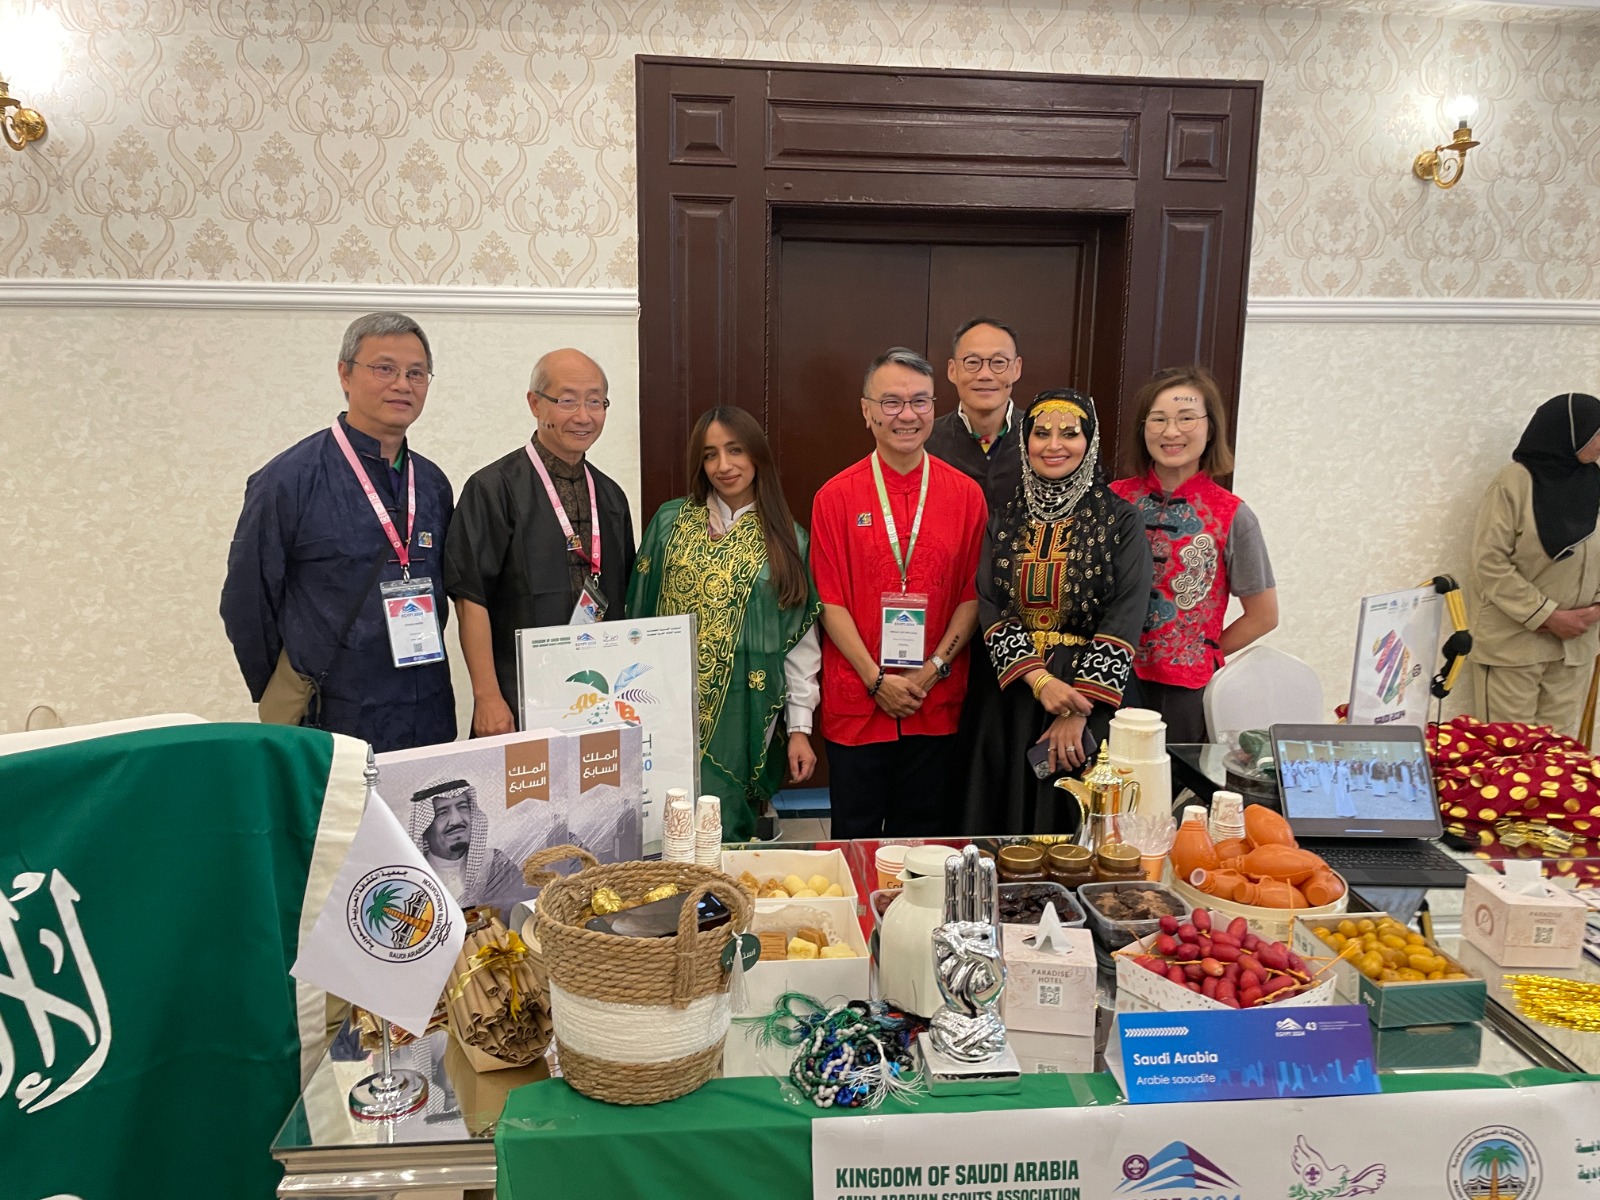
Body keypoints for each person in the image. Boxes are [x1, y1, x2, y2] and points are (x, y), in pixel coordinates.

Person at [220, 311, 456, 753]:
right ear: (345, 374)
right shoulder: (288, 480)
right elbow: (246, 603)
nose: (402, 384)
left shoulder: (432, 483)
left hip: (426, 706)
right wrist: (292, 676)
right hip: (331, 712)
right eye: (384, 368)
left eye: (416, 373)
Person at [811, 348, 988, 838]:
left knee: (925, 842)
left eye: (919, 401)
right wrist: (875, 680)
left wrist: (933, 670)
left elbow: (972, 596)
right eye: (891, 402)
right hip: (857, 700)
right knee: (855, 838)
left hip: (935, 701)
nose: (906, 415)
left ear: (935, 407)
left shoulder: (966, 496)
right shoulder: (835, 497)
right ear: (866, 411)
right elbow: (829, 601)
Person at [627, 407, 821, 841]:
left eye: (735, 451)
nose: (723, 466)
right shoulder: (670, 522)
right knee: (660, 824)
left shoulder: (787, 540)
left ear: (756, 455)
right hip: (662, 706)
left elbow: (799, 644)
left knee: (723, 825)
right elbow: (636, 615)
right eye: (710, 454)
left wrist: (800, 729)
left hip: (743, 712)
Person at [964, 390, 1153, 835]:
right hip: (1012, 694)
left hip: (1092, 698)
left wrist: (1077, 709)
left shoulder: (1120, 520)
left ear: (1090, 441)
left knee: (1079, 822)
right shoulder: (1004, 519)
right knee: (1003, 824)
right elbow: (991, 603)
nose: (1054, 445)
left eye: (1069, 434)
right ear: (1025, 442)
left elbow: (1126, 612)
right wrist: (1039, 680)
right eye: (1041, 433)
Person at [445, 349, 636, 736]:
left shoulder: (611, 496)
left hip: (600, 696)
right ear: (535, 403)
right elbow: (470, 598)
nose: (583, 416)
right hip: (518, 696)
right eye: (567, 400)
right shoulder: (493, 488)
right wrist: (487, 697)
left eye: (595, 401)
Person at [1111, 366, 1278, 744]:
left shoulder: (1233, 515)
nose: (1171, 432)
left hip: (1184, 689)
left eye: (1186, 418)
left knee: (1171, 778)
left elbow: (1264, 615)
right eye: (1158, 419)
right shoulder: (1114, 499)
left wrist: (1202, 650)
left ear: (1210, 427)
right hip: (1109, 674)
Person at [1467, 392, 1600, 737]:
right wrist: (1547, 615)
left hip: (1575, 646)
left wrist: (1593, 612)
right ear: (1571, 431)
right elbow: (1490, 563)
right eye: (1597, 433)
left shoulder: (1595, 483)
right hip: (1514, 646)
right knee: (1508, 750)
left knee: (1560, 752)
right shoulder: (1513, 483)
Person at [927, 317, 1024, 514]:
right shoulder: (926, 441)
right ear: (952, 370)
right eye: (972, 362)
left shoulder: (1041, 439)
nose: (985, 375)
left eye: (999, 362)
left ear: (1016, 369)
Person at [407, 777, 522, 909]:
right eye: (442, 813)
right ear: (424, 829)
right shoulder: (414, 878)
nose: (456, 820)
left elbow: (521, 908)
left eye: (462, 807)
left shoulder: (496, 863)